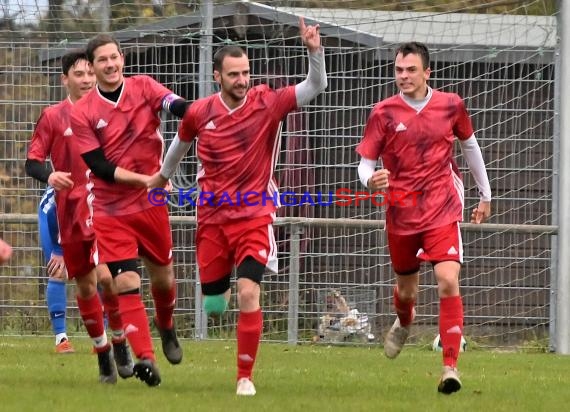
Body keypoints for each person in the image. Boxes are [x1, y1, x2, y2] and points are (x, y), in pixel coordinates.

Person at [146, 17, 327, 396]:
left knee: (248, 293)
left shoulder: (267, 102)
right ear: (217, 77)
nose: (242, 80)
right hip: (212, 215)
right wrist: (162, 177)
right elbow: (179, 145)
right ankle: (216, 288)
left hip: (254, 213)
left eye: (245, 72)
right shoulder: (199, 112)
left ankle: (245, 376)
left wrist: (314, 52)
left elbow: (316, 85)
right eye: (233, 74)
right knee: (214, 305)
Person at [356, 41, 492, 394]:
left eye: (411, 70)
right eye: (399, 70)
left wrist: (485, 194)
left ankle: (450, 368)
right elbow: (365, 163)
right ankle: (404, 322)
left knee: (448, 279)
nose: (404, 76)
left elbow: (471, 146)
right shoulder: (383, 112)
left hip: (442, 208)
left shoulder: (451, 105)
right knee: (406, 291)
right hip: (401, 214)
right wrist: (369, 180)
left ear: (427, 72)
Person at [70, 33, 191, 387]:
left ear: (122, 58)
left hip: (150, 204)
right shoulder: (83, 112)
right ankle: (146, 358)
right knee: (125, 281)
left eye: (114, 57)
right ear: (92, 68)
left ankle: (166, 326)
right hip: (110, 208)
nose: (109, 65)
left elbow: (173, 104)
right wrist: (147, 180)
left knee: (164, 277)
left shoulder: (143, 87)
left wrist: (196, 112)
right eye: (102, 60)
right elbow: (100, 166)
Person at [26, 49, 134, 383]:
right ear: (65, 79)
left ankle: (119, 343)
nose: (87, 79)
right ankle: (102, 353)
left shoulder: (111, 113)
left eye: (90, 73)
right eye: (79, 74)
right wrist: (50, 176)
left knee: (107, 278)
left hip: (103, 208)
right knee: (85, 285)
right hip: (69, 211)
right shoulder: (53, 117)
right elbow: (32, 161)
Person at [37, 186, 74, 353]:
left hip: (91, 209)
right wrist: (59, 250)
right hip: (55, 210)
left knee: (101, 271)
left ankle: (101, 341)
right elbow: (32, 167)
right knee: (57, 268)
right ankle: (61, 338)